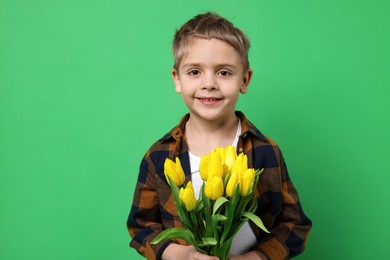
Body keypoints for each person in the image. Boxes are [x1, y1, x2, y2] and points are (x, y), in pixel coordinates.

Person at [127, 12, 312, 260]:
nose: (209, 83)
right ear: (177, 79)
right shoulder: (160, 156)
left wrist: (254, 258)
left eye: (224, 72)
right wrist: (182, 255)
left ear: (244, 80)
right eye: (194, 72)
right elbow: (141, 228)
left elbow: (294, 225)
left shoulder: (265, 150)